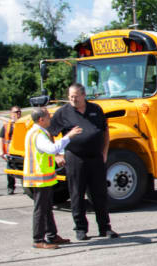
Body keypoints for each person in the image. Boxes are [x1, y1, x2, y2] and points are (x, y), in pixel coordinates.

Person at [49, 84, 119, 240]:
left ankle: (104, 227)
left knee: (99, 194)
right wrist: (57, 154)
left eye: (76, 96)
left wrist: (104, 153)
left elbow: (105, 132)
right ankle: (80, 229)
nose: (73, 99)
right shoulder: (63, 113)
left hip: (96, 158)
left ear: (84, 95)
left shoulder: (96, 109)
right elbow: (50, 133)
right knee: (76, 194)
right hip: (75, 157)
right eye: (70, 96)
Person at [24, 107, 82, 250]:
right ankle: (38, 239)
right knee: (41, 209)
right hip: (39, 177)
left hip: (41, 177)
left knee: (46, 208)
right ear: (41, 119)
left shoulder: (35, 132)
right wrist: (69, 136)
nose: (50, 119)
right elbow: (52, 149)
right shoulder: (38, 135)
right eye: (48, 117)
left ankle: (52, 235)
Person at [0, 106, 22, 195]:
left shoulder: (24, 124)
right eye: (16, 112)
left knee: (25, 170)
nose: (18, 114)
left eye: (19, 112)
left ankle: (27, 188)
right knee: (9, 169)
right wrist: (1, 150)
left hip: (22, 151)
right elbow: (1, 138)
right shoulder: (7, 125)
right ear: (11, 114)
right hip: (11, 152)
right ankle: (10, 187)